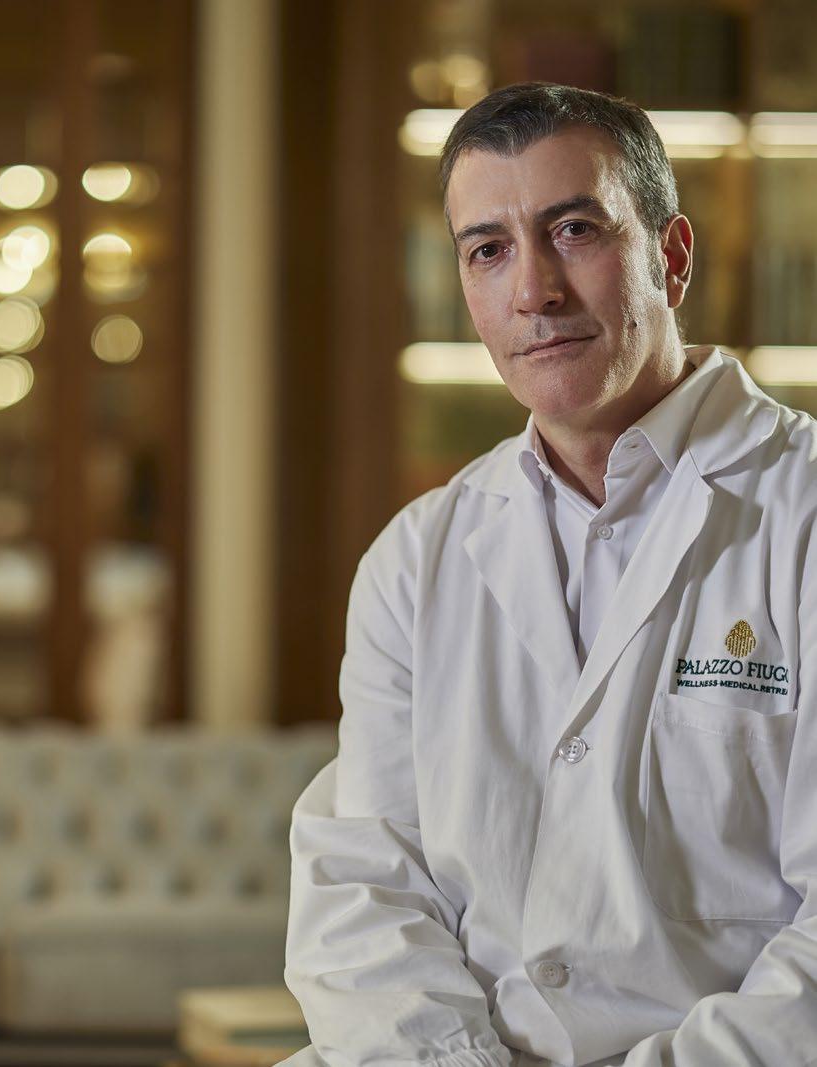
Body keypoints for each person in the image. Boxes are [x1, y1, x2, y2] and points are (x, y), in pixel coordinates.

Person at [278, 82, 817, 1067]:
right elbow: (366, 885)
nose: (534, 291)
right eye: (488, 249)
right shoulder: (416, 559)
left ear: (673, 257)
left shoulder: (802, 516)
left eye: (574, 230)